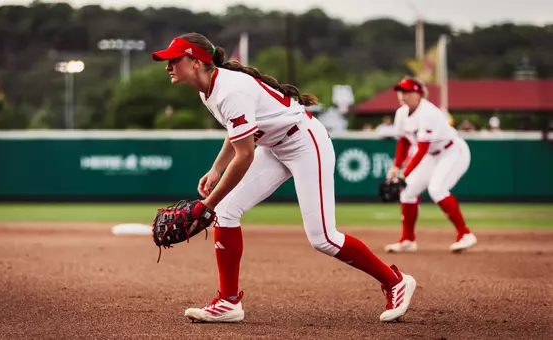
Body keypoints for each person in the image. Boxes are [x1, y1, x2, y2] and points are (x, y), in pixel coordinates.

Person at [151, 33, 416, 324]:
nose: (168, 66)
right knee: (226, 212)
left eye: (174, 59)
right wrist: (216, 168)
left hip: (304, 143)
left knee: (323, 238)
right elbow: (238, 131)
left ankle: (395, 281)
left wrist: (207, 204)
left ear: (196, 61)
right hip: (274, 147)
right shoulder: (208, 90)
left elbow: (245, 156)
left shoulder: (230, 90)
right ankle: (228, 302)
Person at [384, 77, 477, 254]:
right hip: (431, 155)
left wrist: (404, 173)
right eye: (400, 91)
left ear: (418, 94)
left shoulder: (429, 113)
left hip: (452, 151)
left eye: (407, 91)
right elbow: (403, 142)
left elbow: (421, 149)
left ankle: (465, 234)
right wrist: (396, 166)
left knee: (437, 189)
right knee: (407, 192)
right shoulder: (401, 114)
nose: (402, 95)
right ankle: (408, 240)